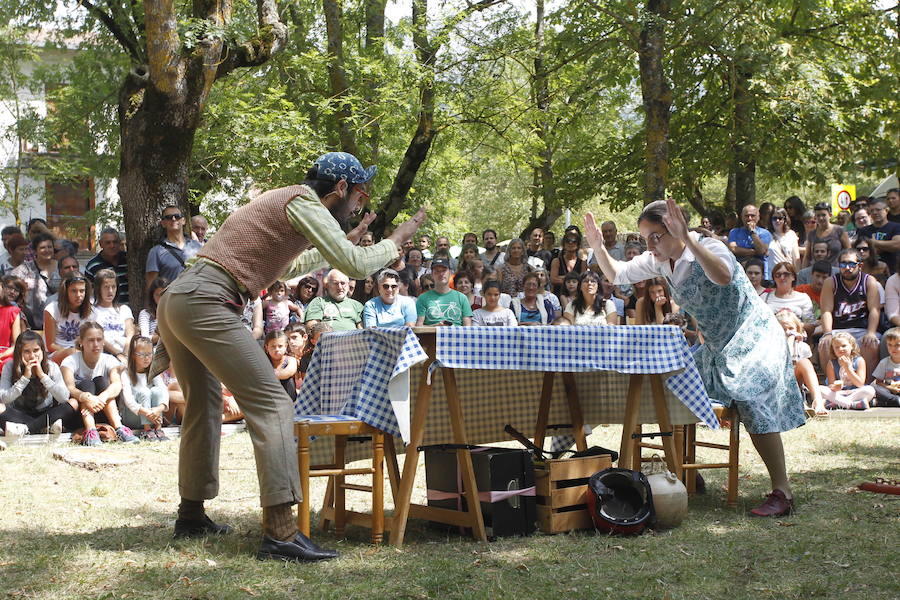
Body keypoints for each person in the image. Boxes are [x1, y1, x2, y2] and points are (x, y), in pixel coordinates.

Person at [156, 151, 424, 562]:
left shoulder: (291, 202)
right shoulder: (303, 200)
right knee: (274, 404)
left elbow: (287, 266)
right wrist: (397, 239)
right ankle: (281, 533)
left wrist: (346, 243)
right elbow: (353, 266)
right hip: (206, 300)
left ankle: (191, 515)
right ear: (340, 188)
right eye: (360, 196)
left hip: (182, 299)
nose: (360, 206)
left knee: (203, 407)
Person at [585, 199, 805, 517]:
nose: (650, 244)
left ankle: (782, 491)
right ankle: (684, 471)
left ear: (677, 228)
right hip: (717, 345)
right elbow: (618, 274)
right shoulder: (659, 260)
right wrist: (597, 247)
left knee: (749, 398)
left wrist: (688, 238)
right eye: (646, 237)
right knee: (670, 386)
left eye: (656, 236)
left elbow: (724, 276)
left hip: (754, 336)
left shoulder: (710, 246)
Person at [61, 321, 139, 446]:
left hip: (102, 409)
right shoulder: (70, 361)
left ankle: (119, 428)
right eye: (91, 340)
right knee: (87, 384)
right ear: (81, 342)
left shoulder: (109, 360)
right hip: (79, 416)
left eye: (99, 339)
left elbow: (116, 385)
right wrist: (86, 397)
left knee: (101, 381)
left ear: (104, 341)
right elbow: (69, 387)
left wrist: (101, 397)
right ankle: (90, 431)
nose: (96, 344)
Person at [818, 248, 881, 381]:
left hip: (862, 329)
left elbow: (875, 309)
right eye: (843, 264)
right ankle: (832, 386)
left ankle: (866, 386)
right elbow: (826, 311)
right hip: (838, 330)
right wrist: (828, 333)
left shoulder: (869, 281)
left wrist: (871, 332)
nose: (847, 268)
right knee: (824, 344)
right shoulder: (831, 282)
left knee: (872, 343)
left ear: (860, 265)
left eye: (851, 264)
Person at [0, 331, 76, 438]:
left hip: (46, 413)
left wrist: (42, 376)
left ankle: (26, 429)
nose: (32, 356)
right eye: (27, 351)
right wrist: (24, 378)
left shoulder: (52, 366)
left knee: (73, 403)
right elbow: (4, 398)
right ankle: (44, 427)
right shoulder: (9, 366)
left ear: (42, 351)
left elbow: (64, 398)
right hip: (19, 413)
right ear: (19, 353)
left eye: (36, 350)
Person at [774, 310, 825, 416]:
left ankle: (818, 401)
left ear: (798, 330)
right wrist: (790, 341)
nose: (788, 332)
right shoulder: (773, 346)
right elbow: (785, 363)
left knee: (804, 362)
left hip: (796, 384)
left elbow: (807, 371)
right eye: (783, 329)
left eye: (791, 328)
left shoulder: (802, 347)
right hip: (777, 384)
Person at [119, 336, 169, 441]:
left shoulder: (153, 372)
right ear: (133, 355)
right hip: (133, 415)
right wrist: (147, 412)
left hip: (153, 415)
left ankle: (158, 429)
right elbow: (129, 401)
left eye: (149, 354)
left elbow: (164, 391)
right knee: (144, 391)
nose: (146, 358)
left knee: (157, 390)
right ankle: (147, 430)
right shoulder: (126, 373)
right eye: (142, 355)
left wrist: (158, 409)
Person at [145, 205, 203, 289]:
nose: (173, 219)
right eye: (168, 217)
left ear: (183, 221)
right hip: (172, 300)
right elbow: (151, 287)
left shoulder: (197, 247)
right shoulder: (156, 252)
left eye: (177, 216)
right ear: (163, 223)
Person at [44, 275, 94, 364]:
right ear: (66, 292)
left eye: (82, 291)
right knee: (72, 353)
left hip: (82, 352)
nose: (78, 295)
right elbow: (50, 346)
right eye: (74, 291)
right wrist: (74, 353)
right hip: (56, 354)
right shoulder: (52, 309)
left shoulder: (91, 310)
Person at [818, 332, 875, 410]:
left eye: (843, 346)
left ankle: (838, 404)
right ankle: (851, 404)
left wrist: (847, 368)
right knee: (820, 389)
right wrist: (835, 387)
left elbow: (860, 384)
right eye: (837, 347)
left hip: (855, 392)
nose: (840, 349)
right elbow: (831, 385)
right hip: (839, 393)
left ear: (851, 346)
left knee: (870, 390)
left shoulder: (859, 361)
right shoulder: (832, 363)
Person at [12, 232, 56, 330]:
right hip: (33, 323)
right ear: (35, 250)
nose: (47, 250)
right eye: (42, 247)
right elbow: (9, 285)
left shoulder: (62, 267)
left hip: (58, 321)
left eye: (50, 247)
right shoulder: (24, 269)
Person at [91, 269, 136, 362]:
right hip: (104, 353)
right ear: (98, 288)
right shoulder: (92, 311)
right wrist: (117, 354)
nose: (110, 291)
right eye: (106, 287)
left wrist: (125, 353)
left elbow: (130, 333)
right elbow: (97, 337)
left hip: (126, 351)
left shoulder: (124, 309)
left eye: (113, 287)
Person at [415, 257, 473, 326]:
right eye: (437, 271)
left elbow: (468, 327)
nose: (441, 274)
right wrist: (435, 326)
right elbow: (419, 326)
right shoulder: (422, 298)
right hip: (431, 335)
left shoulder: (462, 298)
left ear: (450, 273)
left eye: (444, 270)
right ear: (432, 275)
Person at [854, 197, 900, 275]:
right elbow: (861, 251)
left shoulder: (896, 227)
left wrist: (873, 242)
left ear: (886, 210)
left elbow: (896, 245)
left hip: (894, 271)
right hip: (870, 273)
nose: (875, 213)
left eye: (878, 210)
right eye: (872, 211)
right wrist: (887, 246)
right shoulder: (863, 230)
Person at [84, 228, 129, 306]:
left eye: (115, 242)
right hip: (105, 312)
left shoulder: (129, 260)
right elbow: (89, 293)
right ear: (101, 244)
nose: (112, 246)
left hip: (130, 310)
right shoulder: (92, 266)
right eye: (108, 243)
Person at [728, 204, 773, 279]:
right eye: (746, 216)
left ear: (758, 217)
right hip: (740, 273)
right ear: (742, 217)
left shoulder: (765, 233)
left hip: (760, 274)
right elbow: (733, 249)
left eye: (753, 216)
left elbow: (762, 251)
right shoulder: (734, 232)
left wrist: (752, 232)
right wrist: (755, 252)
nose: (749, 218)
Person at [803, 202, 850, 268]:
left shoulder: (839, 231)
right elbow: (807, 257)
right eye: (818, 215)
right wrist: (803, 273)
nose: (821, 218)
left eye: (823, 215)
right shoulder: (812, 234)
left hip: (836, 272)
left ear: (830, 215)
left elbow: (849, 252)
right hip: (817, 273)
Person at [263, 330, 297, 402]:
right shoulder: (262, 361)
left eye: (280, 346)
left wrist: (267, 375)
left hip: (288, 399)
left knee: (288, 380)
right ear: (266, 347)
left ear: (286, 346)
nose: (277, 349)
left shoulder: (291, 360)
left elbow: (288, 372)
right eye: (273, 346)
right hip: (268, 399)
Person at [550, 232, 587, 297]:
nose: (570, 243)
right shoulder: (556, 261)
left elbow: (582, 280)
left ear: (578, 245)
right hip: (559, 295)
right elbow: (553, 279)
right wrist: (574, 280)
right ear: (564, 244)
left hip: (577, 297)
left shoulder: (582, 263)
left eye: (574, 241)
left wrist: (562, 277)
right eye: (567, 241)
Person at [870, 327, 900, 408]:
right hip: (889, 390)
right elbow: (878, 382)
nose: (893, 348)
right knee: (874, 387)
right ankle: (894, 400)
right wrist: (890, 388)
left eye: (897, 345)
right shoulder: (884, 362)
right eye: (890, 345)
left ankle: (885, 402)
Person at [767, 207, 800, 272]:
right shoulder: (766, 234)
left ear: (785, 220)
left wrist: (798, 274)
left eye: (780, 218)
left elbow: (796, 257)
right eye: (774, 218)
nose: (777, 221)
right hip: (771, 275)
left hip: (788, 273)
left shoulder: (791, 234)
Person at [139, 277, 169, 344]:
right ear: (152, 296)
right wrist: (166, 334)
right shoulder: (145, 313)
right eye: (157, 295)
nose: (160, 298)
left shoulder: (173, 312)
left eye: (163, 295)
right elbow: (145, 339)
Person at [0, 278, 21, 368]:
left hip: (5, 355)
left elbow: (16, 344)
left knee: (9, 364)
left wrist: (2, 355)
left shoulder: (13, 311)